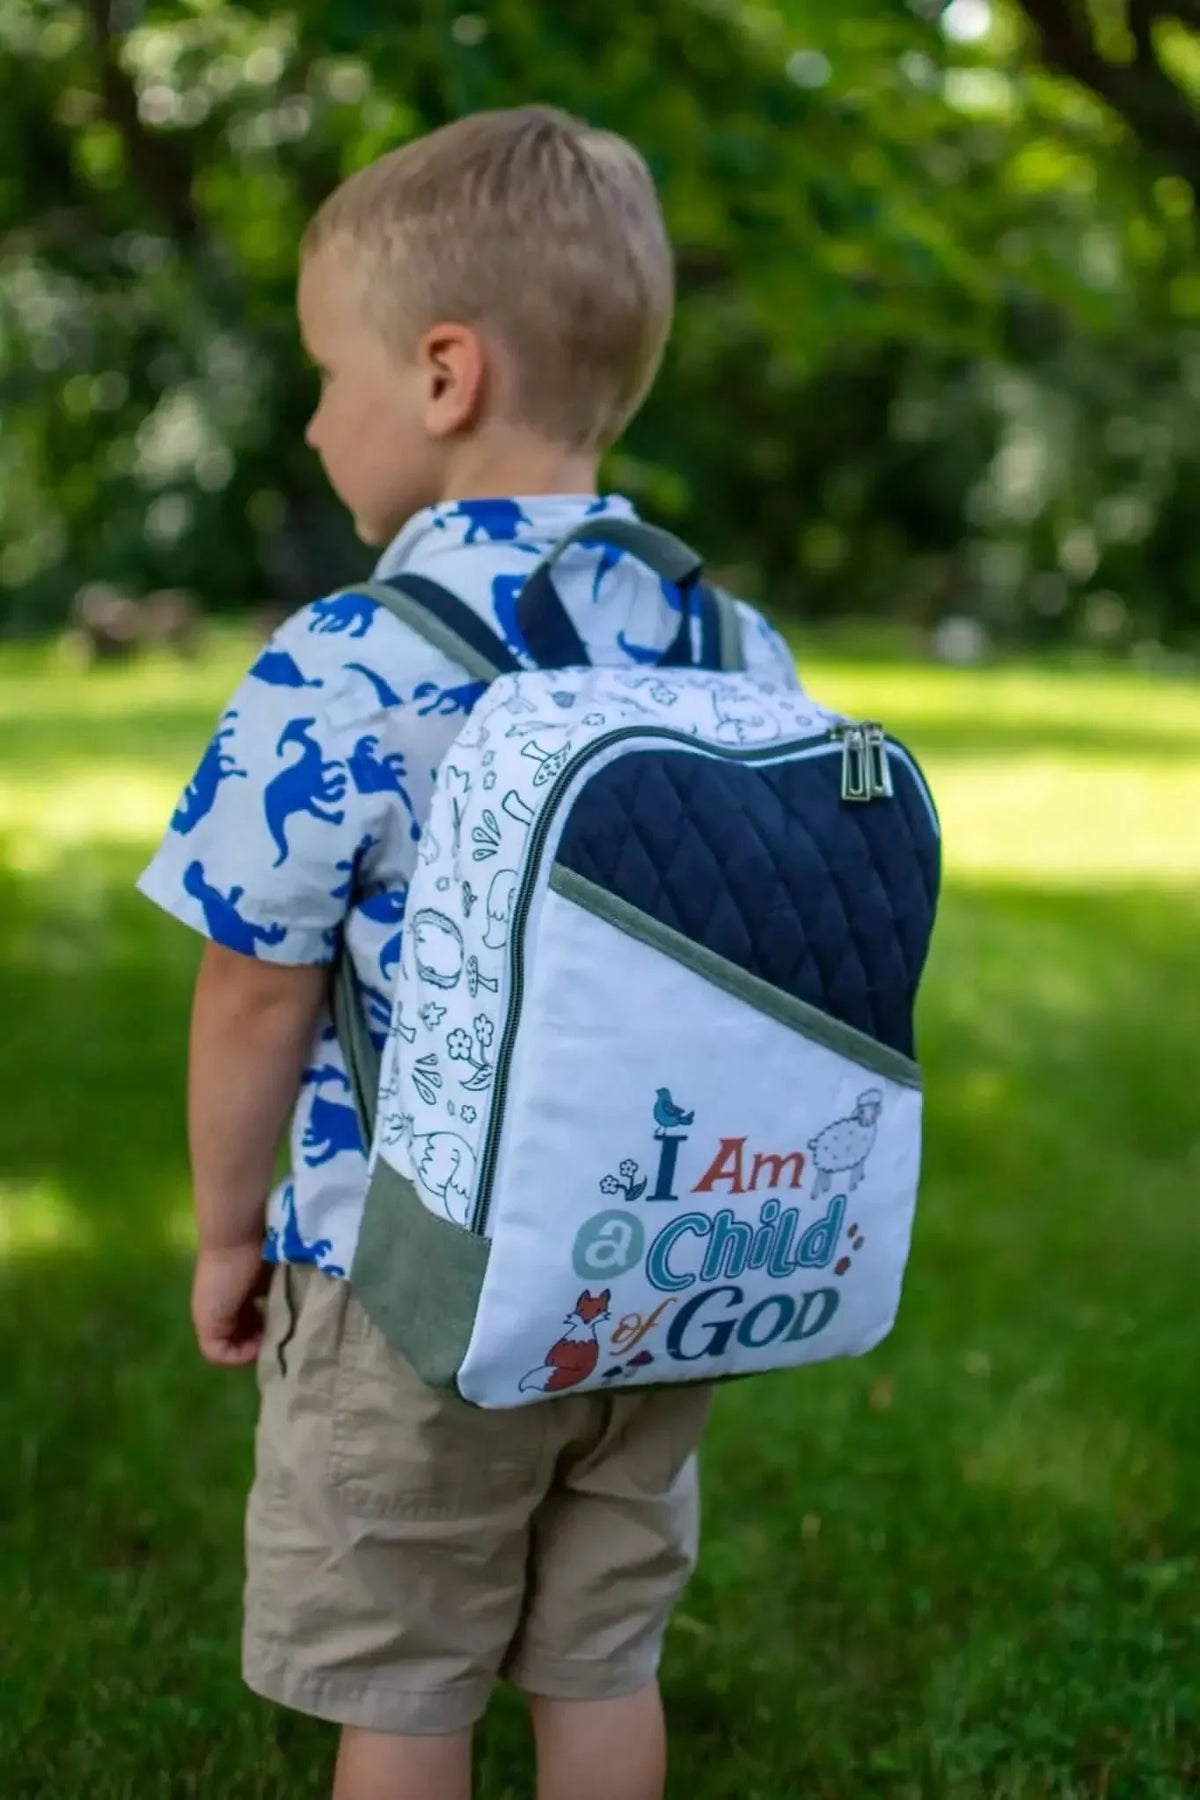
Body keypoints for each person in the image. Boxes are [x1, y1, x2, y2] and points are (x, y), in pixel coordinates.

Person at [138, 105, 799, 1800]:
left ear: (442, 375)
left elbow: (254, 981)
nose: (309, 414)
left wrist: (230, 1235)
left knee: (409, 1677)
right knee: (601, 1654)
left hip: (401, 1274)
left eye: (323, 371)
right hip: (654, 1261)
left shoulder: (343, 660)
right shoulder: (733, 640)